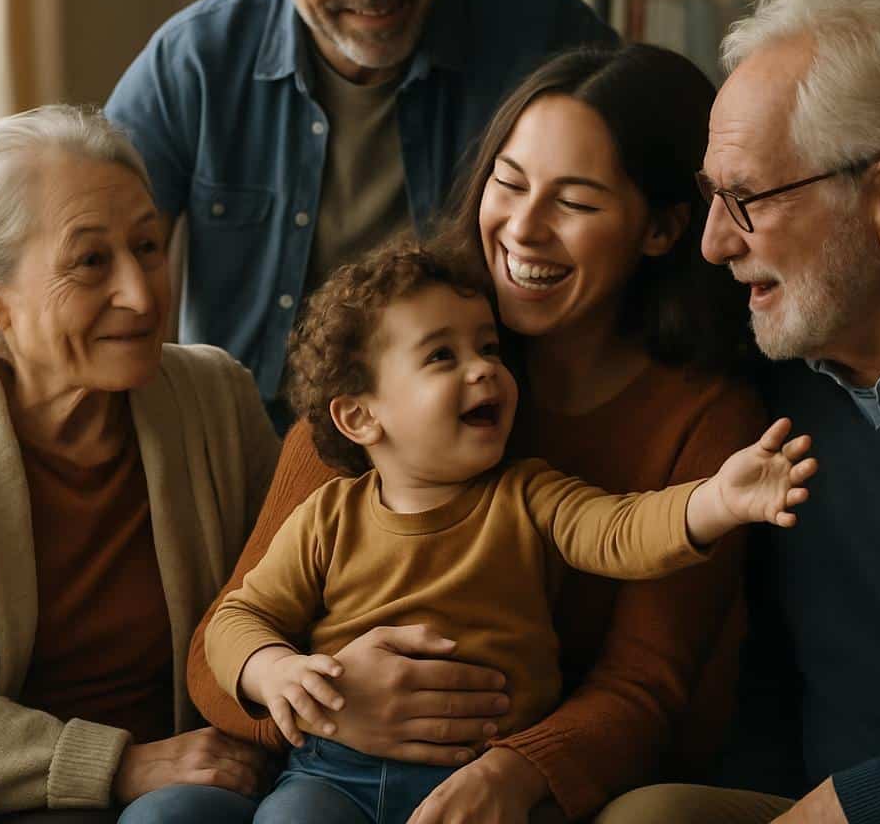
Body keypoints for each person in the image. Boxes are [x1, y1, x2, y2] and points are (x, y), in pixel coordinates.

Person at [182, 43, 774, 824]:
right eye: (510, 181)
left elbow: (645, 681)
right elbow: (216, 652)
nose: (523, 229)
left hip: (532, 778)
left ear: (661, 229)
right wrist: (329, 701)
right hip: (328, 766)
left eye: (577, 202)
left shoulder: (702, 418)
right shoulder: (390, 366)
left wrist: (516, 774)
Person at [104, 0, 611, 421]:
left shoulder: (545, 37)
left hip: (484, 443)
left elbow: (647, 233)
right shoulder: (195, 63)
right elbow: (90, 249)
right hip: (248, 449)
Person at [597, 0, 880, 824]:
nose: (715, 243)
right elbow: (767, 681)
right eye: (712, 197)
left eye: (746, 198)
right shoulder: (773, 390)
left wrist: (854, 806)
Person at [0, 106, 281, 822]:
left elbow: (303, 595)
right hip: (1, 795)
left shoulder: (216, 397)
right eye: (90, 261)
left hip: (187, 794)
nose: (143, 296)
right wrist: (119, 765)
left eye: (149, 246)